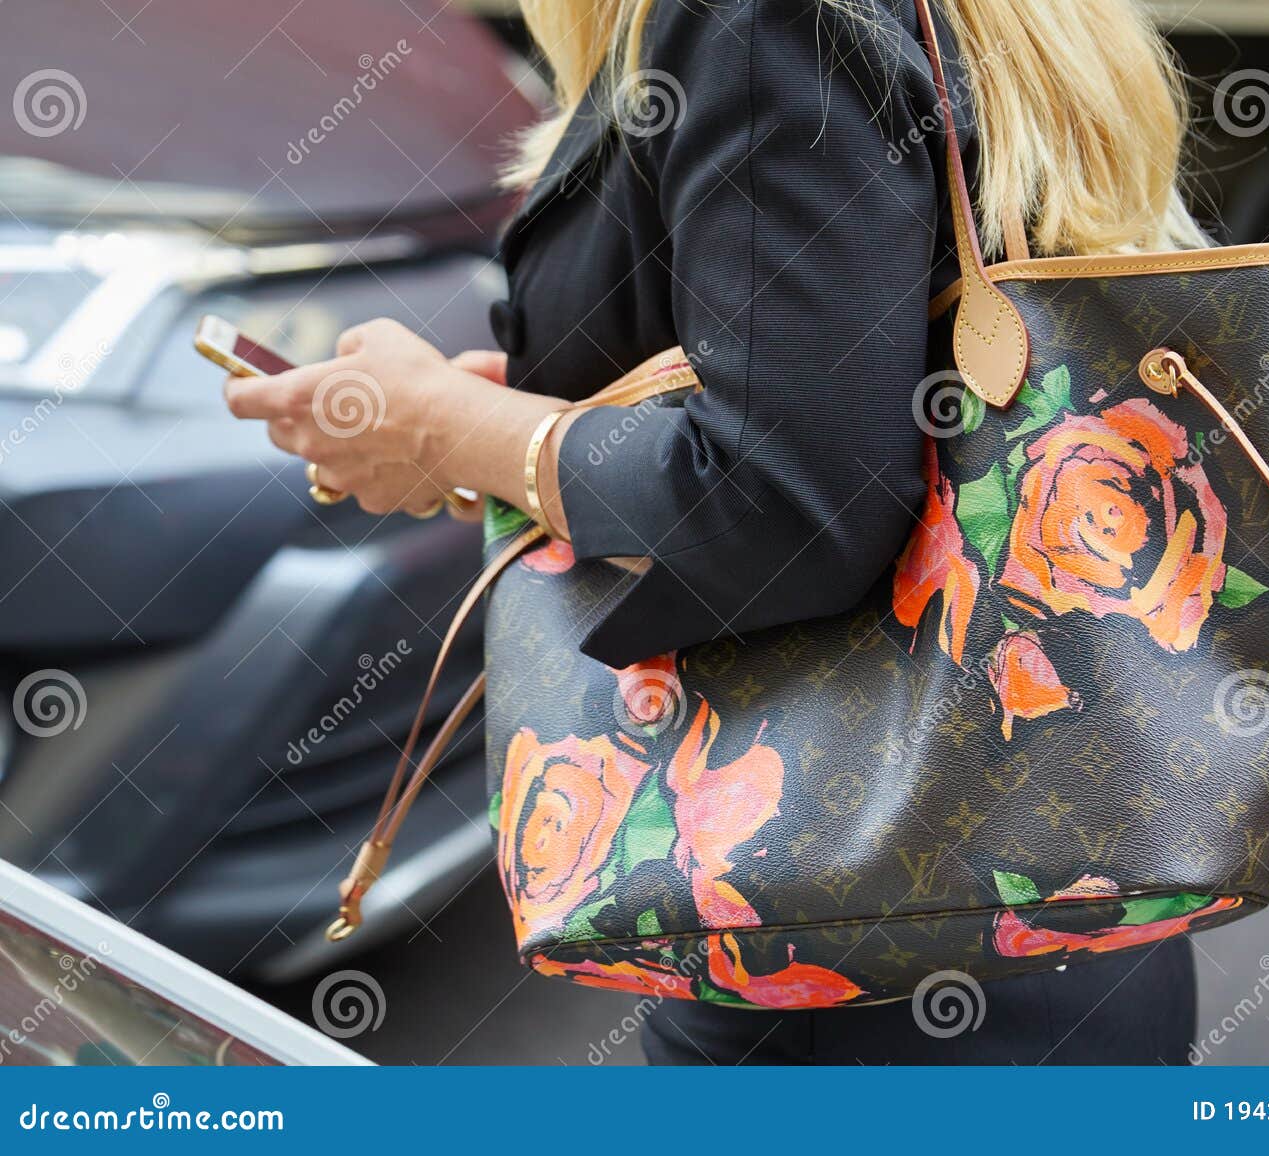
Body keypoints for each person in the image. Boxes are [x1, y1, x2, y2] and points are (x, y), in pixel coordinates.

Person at [223, 0, 1210, 1064]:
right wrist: (507, 430)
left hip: (857, 953)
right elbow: (858, 372)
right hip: (1052, 889)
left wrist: (450, 428)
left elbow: (782, 504)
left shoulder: (752, 17)